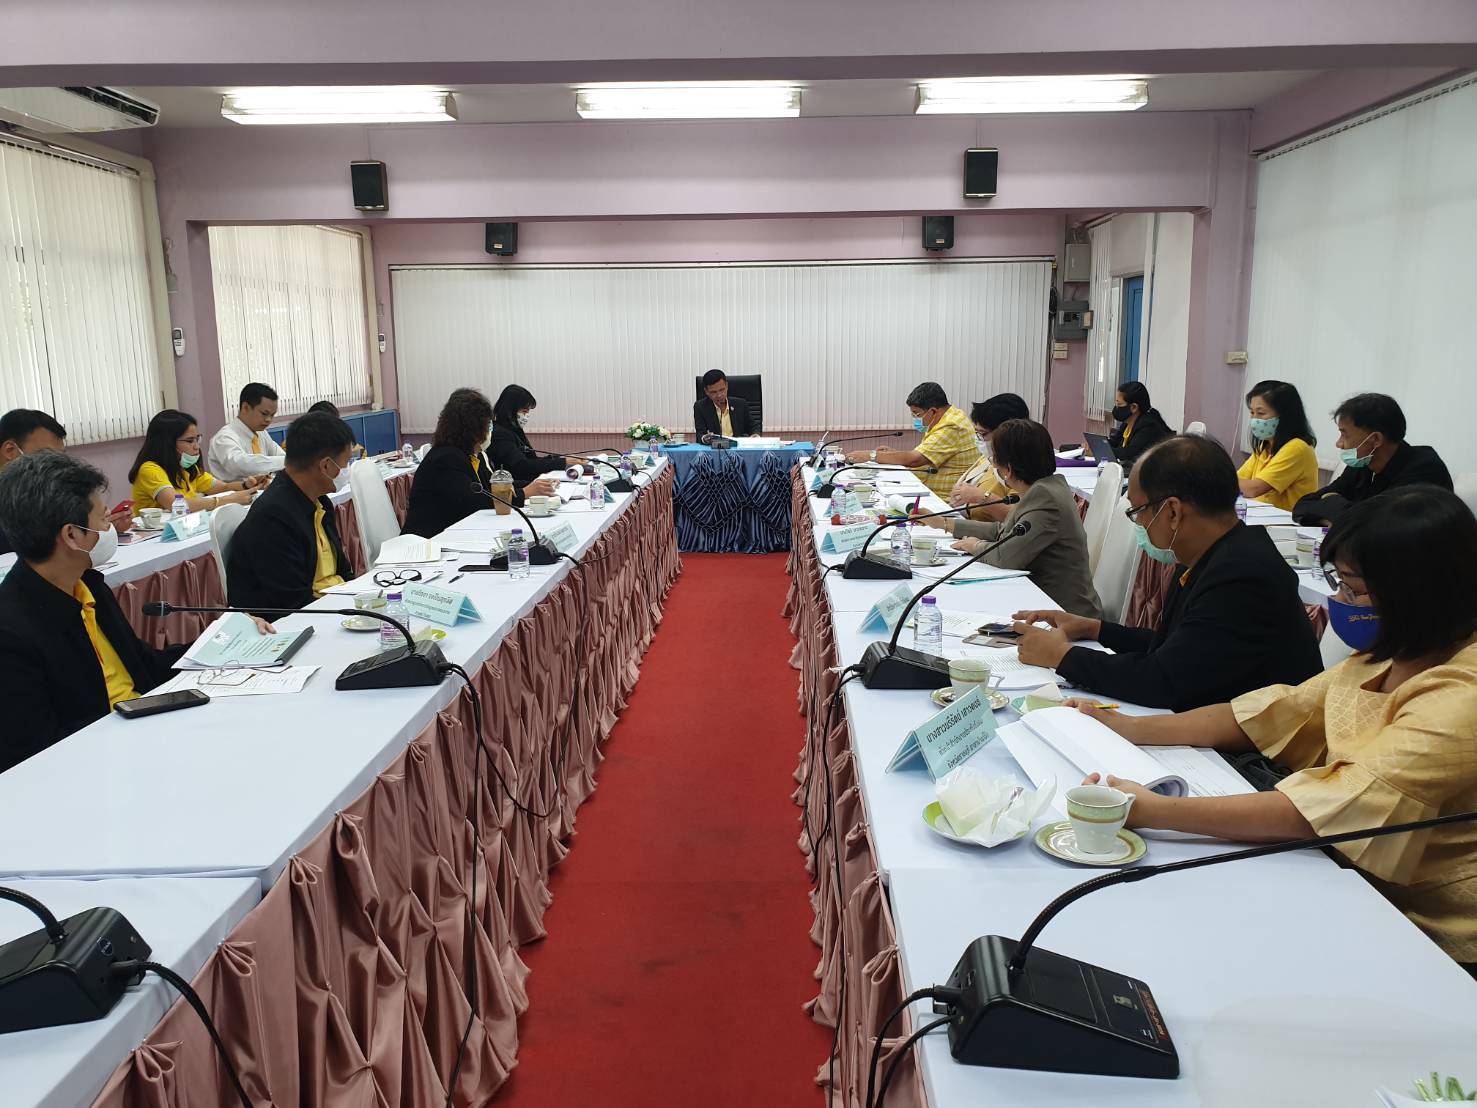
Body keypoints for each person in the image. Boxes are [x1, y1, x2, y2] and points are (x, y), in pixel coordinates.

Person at [1069, 486, 1477, 971]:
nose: (1339, 601)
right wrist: (1127, 728)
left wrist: (1156, 810)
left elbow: (1327, 811)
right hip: (1342, 874)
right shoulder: (1391, 653)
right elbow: (1269, 713)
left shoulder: (1461, 697)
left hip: (1425, 930)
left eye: (1352, 588)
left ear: (1418, 593)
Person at [0, 452, 270, 771]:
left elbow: (144, 665)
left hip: (141, 733)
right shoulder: (12, 631)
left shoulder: (87, 585)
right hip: (102, 763)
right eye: (103, 519)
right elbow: (37, 754)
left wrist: (225, 642)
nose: (109, 528)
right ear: (71, 535)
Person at [1011, 434, 1322, 711]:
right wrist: (1094, 629)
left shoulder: (1242, 575)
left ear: (1172, 511)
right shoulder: (1213, 554)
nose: (1138, 524)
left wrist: (1063, 657)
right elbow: (1174, 647)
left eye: (1137, 512)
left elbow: (1164, 681)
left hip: (1253, 750)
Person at [939, 419, 1103, 619]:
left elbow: (1005, 557)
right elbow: (1005, 530)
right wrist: (946, 524)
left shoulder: (1045, 498)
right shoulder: (1047, 487)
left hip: (1065, 615)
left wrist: (974, 546)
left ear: (1008, 469)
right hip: (1045, 604)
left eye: (994, 461)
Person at [226, 412, 355, 616]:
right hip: (299, 620)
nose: (347, 470)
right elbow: (294, 605)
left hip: (332, 604)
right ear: (326, 466)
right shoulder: (273, 518)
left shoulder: (320, 502)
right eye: (346, 463)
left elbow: (343, 572)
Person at [402, 388, 558, 539]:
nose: (491, 430)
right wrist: (524, 493)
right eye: (487, 425)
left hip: (459, 532)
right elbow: (474, 502)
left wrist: (536, 485)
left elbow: (493, 486)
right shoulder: (446, 459)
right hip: (429, 541)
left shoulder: (474, 455)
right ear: (471, 428)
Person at [1292, 392, 1453, 525]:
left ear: (1375, 439)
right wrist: (1331, 517)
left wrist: (1332, 501)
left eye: (1344, 435)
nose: (1339, 444)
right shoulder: (1363, 465)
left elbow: (1378, 527)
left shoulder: (1425, 470)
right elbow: (1303, 505)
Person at [0, 408, 130, 554]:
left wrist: (99, 528)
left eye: (59, 457)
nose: (56, 465)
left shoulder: (45, 492)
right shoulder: (22, 495)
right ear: (10, 451)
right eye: (46, 456)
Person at [846, 381, 981, 500]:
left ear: (933, 411)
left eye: (917, 414)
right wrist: (893, 454)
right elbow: (925, 454)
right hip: (929, 490)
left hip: (942, 499)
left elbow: (915, 460)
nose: (915, 418)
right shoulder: (947, 417)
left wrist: (871, 456)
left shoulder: (951, 425)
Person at [129, 410, 265, 512]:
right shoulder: (149, 470)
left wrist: (246, 485)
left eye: (197, 439)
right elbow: (176, 505)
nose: (196, 447)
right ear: (167, 443)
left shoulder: (187, 468)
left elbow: (222, 487)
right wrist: (228, 500)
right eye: (190, 441)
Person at [1236, 380, 1319, 512]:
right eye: (1252, 413)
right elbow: (1238, 479)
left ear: (1285, 416)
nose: (1254, 420)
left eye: (1261, 413)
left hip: (1289, 522)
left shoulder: (1297, 448)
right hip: (1262, 516)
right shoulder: (1265, 446)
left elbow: (1253, 489)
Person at [949, 393, 1030, 524]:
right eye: (977, 433)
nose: (979, 439)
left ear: (1006, 433)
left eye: (983, 434)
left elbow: (1019, 518)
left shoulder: (1022, 468)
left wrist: (980, 497)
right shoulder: (988, 458)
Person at [487, 384, 572, 483]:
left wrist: (560, 459)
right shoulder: (500, 434)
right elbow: (522, 466)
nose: (526, 416)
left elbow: (532, 459)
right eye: (524, 411)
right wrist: (563, 462)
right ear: (510, 410)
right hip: (516, 486)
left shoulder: (514, 429)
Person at [207, 382, 286, 481]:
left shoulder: (261, 433)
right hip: (235, 490)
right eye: (264, 414)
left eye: (272, 415)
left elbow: (280, 455)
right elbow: (241, 465)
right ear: (245, 407)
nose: (269, 420)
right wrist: (287, 462)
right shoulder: (224, 437)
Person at [1105, 381, 1173, 471]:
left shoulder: (1149, 426)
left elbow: (1129, 453)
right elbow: (1115, 442)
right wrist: (1099, 444)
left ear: (1134, 407)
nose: (1116, 407)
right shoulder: (1128, 422)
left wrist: (1104, 451)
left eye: (1119, 404)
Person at [693, 369, 757, 440]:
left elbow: (753, 427)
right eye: (714, 392)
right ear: (706, 391)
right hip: (714, 446)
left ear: (727, 386)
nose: (719, 395)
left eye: (721, 390)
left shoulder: (741, 404)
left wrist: (755, 435)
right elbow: (700, 434)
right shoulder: (700, 407)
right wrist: (705, 438)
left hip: (738, 445)